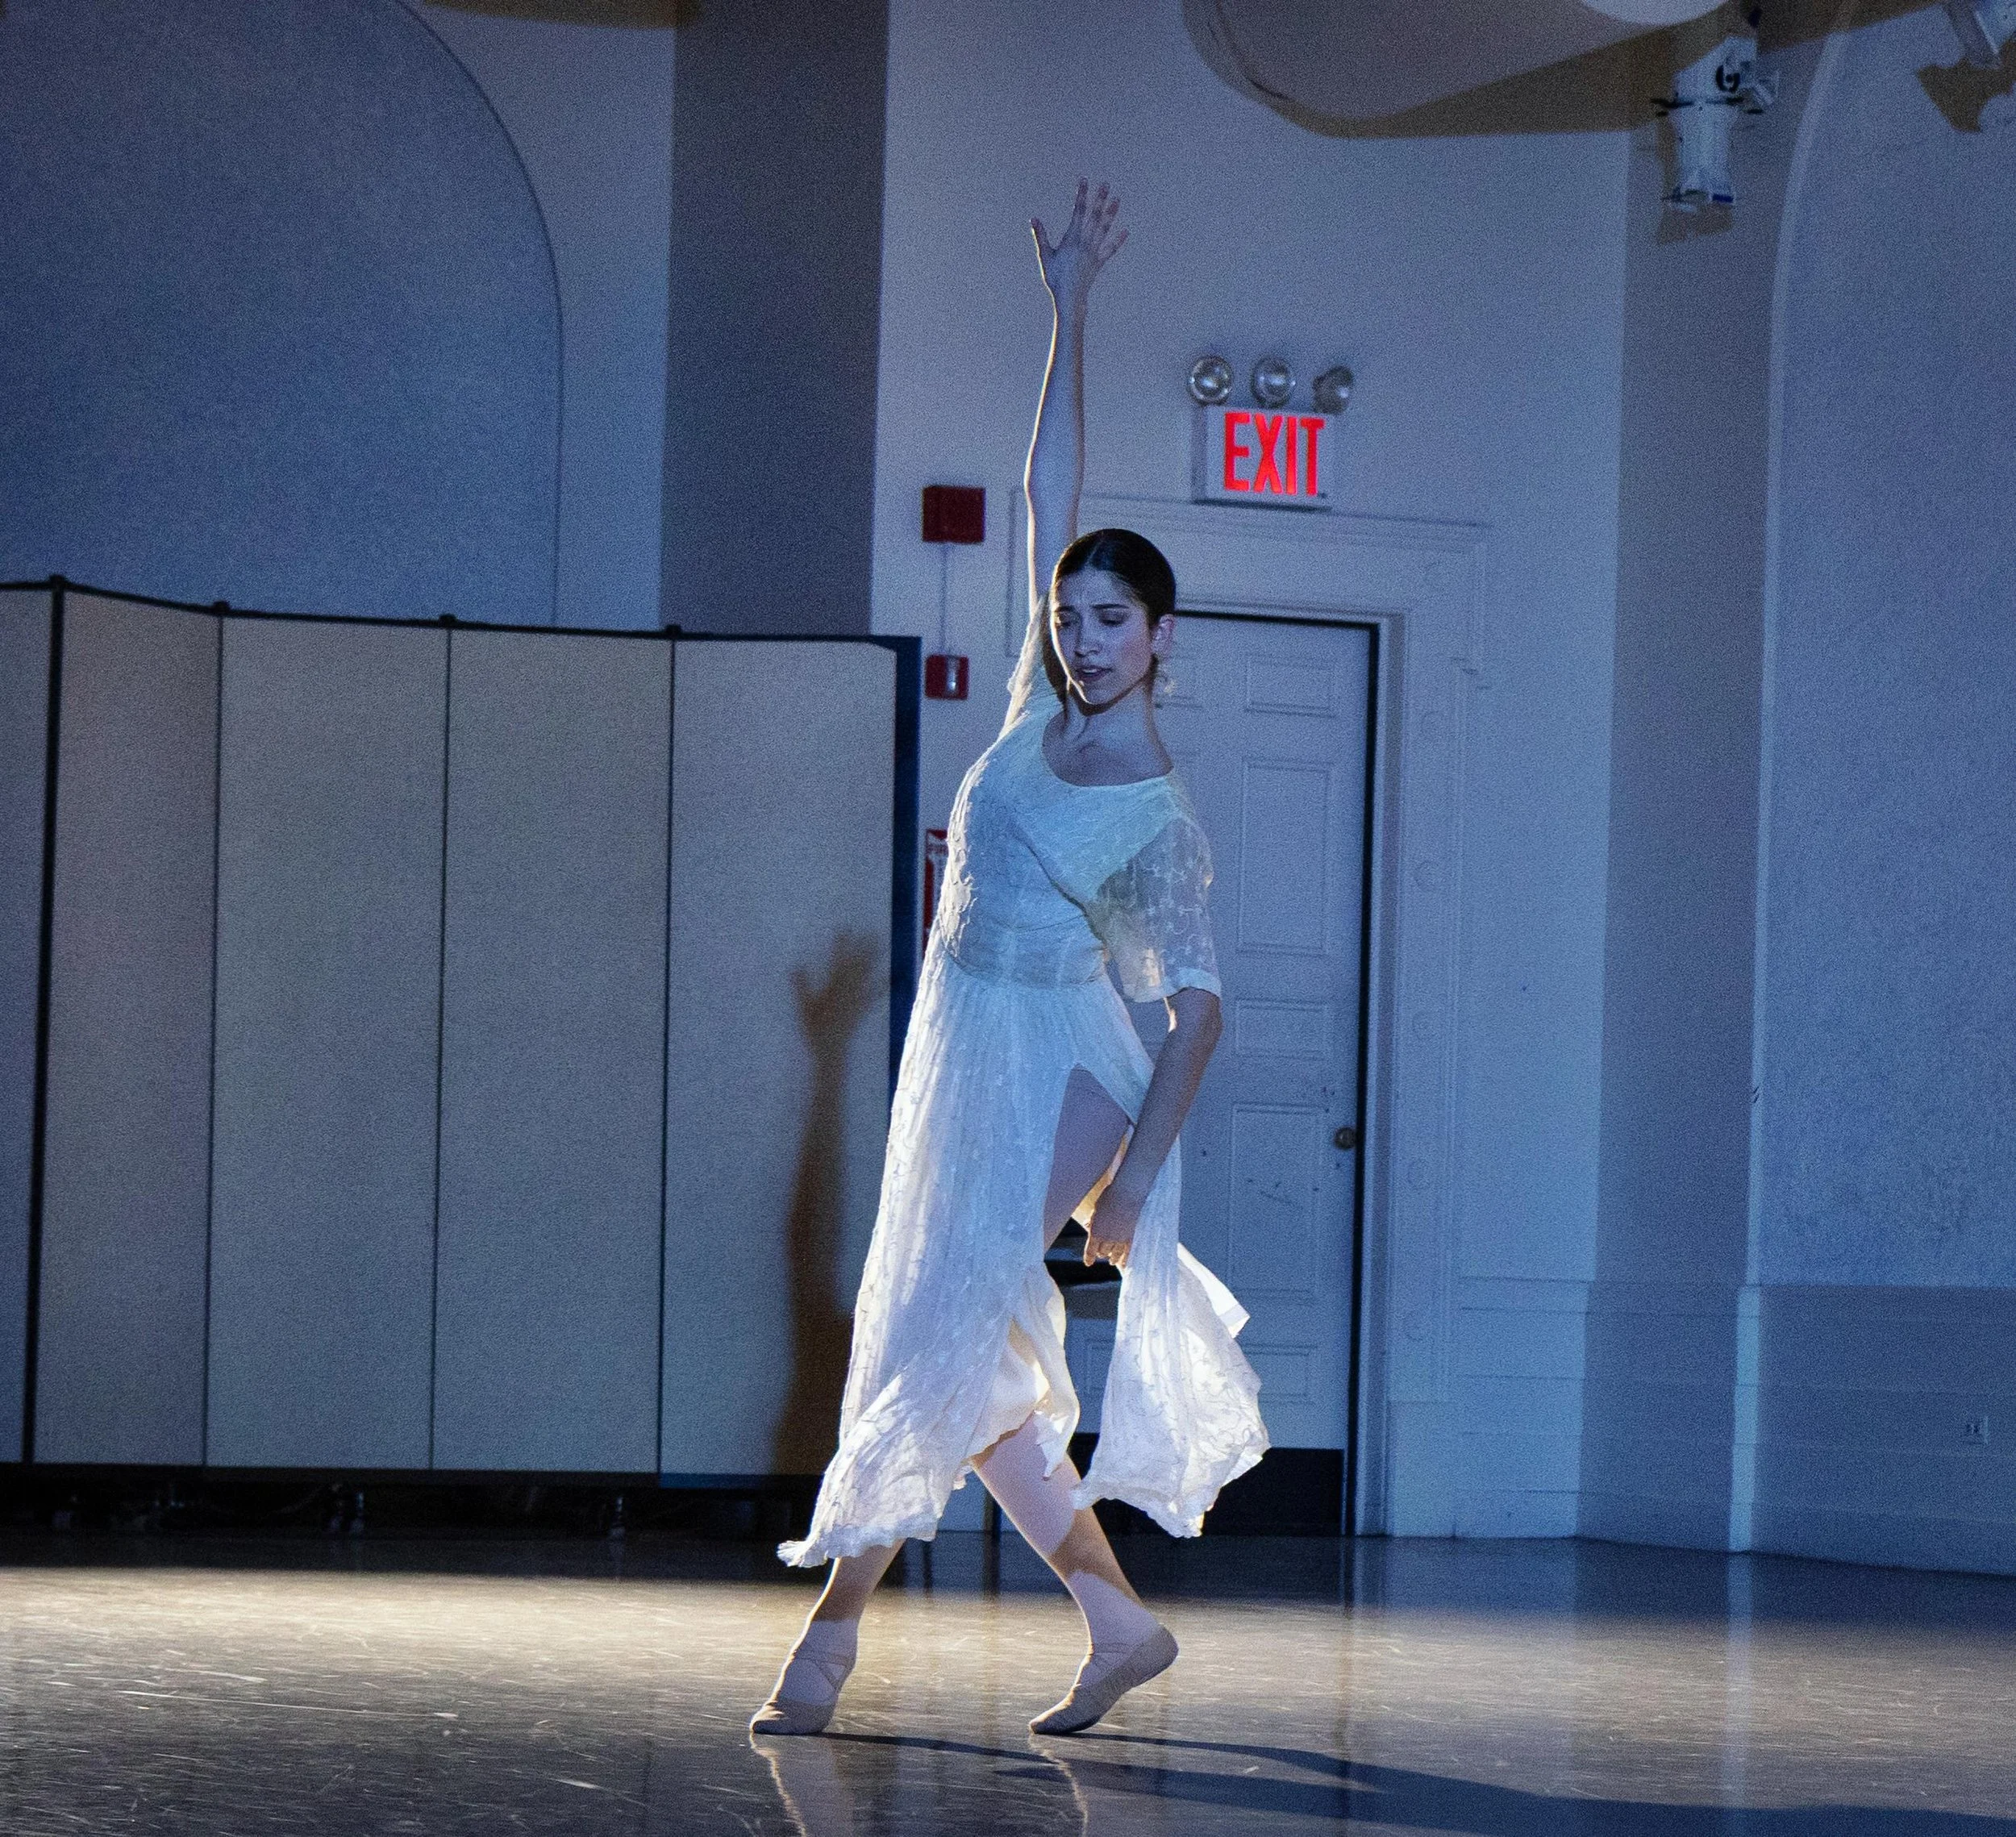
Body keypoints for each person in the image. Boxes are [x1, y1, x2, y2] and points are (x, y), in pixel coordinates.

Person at [752, 182, 1266, 1741]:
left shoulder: (1150, 807)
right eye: (1070, 612)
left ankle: (827, 1650)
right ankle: (1113, 1620)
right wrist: (1066, 308)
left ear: (1163, 636)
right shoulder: (1031, 728)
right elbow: (1048, 486)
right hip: (963, 1048)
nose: (1084, 634)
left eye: (1114, 619)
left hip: (1060, 1067)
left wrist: (1127, 1189)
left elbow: (1198, 1014)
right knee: (948, 1351)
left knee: (933, 1340)